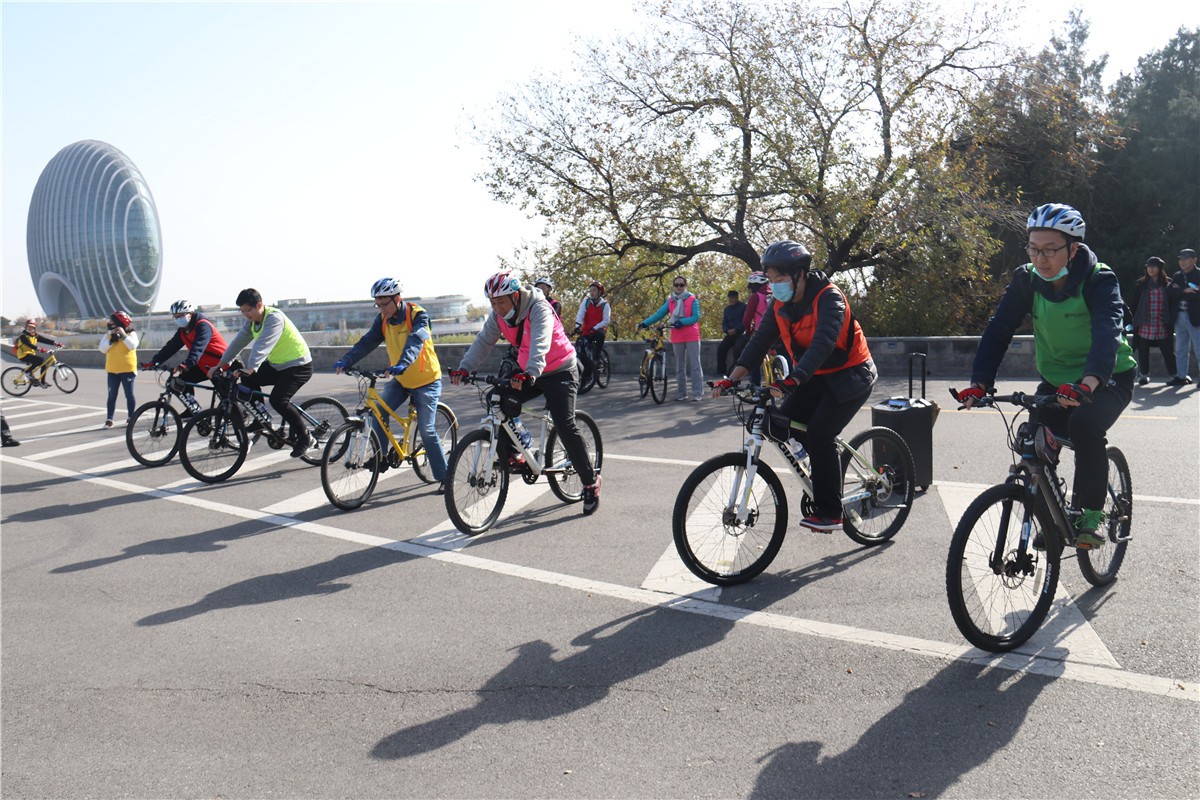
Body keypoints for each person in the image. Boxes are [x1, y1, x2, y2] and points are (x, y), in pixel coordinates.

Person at [959, 203, 1136, 549]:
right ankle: (1050, 518)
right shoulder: (1026, 280)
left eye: (1050, 250)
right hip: (1057, 381)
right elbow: (999, 330)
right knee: (1034, 440)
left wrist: (1089, 383)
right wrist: (980, 383)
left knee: (1084, 426)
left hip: (1108, 376)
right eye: (1033, 248)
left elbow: (1107, 333)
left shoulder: (1099, 279)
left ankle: (1089, 517)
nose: (1040, 258)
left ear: (1073, 249)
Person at [715, 241, 876, 532]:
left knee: (820, 433)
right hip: (813, 374)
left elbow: (823, 344)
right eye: (771, 278)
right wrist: (731, 378)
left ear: (800, 274)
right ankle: (822, 471)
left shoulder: (829, 298)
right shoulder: (779, 304)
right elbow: (758, 343)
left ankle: (831, 512)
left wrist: (793, 380)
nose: (774, 284)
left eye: (780, 277)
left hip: (850, 375)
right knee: (778, 424)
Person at [451, 270, 601, 515]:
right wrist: (465, 368)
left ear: (515, 296)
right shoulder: (498, 316)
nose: (497, 308)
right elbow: (484, 341)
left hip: (560, 369)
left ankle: (590, 482)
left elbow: (541, 341)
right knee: (496, 399)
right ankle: (516, 450)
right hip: (529, 370)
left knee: (564, 424)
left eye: (501, 302)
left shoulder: (539, 308)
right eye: (493, 303)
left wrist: (530, 371)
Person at [332, 278, 448, 487]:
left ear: (397, 298)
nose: (381, 309)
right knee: (378, 411)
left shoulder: (418, 315)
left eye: (384, 304)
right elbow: (367, 342)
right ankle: (382, 457)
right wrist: (346, 360)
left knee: (427, 431)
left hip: (426, 381)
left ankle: (444, 478)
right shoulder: (383, 320)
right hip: (402, 379)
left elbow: (415, 341)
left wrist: (403, 362)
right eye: (378, 304)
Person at [209, 288, 315, 457]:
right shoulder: (252, 322)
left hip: (298, 366)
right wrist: (220, 365)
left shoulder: (274, 318)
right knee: (248, 381)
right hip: (277, 365)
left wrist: (251, 367)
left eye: (248, 310)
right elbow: (237, 343)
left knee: (278, 400)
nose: (246, 315)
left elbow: (263, 345)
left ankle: (305, 437)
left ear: (259, 305)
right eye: (242, 311)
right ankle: (261, 418)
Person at [145, 300, 228, 411]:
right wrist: (154, 361)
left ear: (190, 314)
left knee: (228, 402)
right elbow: (171, 347)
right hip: (204, 366)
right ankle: (193, 411)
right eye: (175, 317)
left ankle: (238, 419)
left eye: (180, 316)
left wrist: (186, 364)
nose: (178, 319)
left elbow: (198, 347)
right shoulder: (183, 331)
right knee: (180, 382)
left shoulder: (203, 325)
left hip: (221, 365)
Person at [639, 275, 703, 401]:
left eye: (681, 285)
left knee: (695, 366)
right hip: (677, 336)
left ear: (685, 285)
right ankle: (682, 394)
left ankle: (697, 394)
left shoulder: (692, 299)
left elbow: (696, 317)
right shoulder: (671, 301)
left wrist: (682, 322)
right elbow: (659, 314)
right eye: (676, 285)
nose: (679, 287)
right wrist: (645, 323)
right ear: (674, 286)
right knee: (679, 367)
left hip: (691, 336)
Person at [1129, 257, 1177, 386]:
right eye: (1148, 266)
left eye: (1154, 266)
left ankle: (1174, 374)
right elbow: (1135, 304)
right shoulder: (1141, 284)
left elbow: (1173, 303)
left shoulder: (1167, 284)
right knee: (1143, 350)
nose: (1150, 269)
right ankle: (1144, 375)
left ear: (1160, 268)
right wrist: (1131, 321)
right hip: (1144, 323)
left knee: (1167, 350)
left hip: (1162, 323)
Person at [99, 311, 139, 428]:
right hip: (112, 370)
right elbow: (102, 349)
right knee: (112, 396)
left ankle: (131, 417)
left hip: (127, 370)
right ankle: (109, 419)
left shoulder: (131, 334)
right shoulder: (108, 335)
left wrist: (123, 335)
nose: (109, 323)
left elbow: (132, 345)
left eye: (112, 321)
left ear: (119, 322)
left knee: (129, 395)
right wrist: (111, 340)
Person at [1166, 247, 1200, 387]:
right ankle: (1181, 376)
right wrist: (1185, 290)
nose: (1182, 262)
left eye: (1186, 259)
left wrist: (1179, 291)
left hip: (1195, 316)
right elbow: (1169, 293)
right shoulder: (1177, 275)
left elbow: (1197, 295)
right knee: (1180, 348)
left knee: (1199, 348)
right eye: (1180, 259)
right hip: (1179, 316)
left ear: (1194, 260)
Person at [573, 280, 611, 388]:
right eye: (590, 290)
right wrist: (577, 326)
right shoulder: (586, 302)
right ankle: (586, 376)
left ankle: (597, 358)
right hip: (587, 330)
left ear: (599, 292)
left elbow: (606, 320)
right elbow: (580, 314)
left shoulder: (605, 305)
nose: (592, 292)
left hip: (598, 329)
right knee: (582, 349)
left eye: (594, 290)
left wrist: (595, 327)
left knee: (600, 336)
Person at [739, 272, 772, 385]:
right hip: (779, 332)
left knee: (754, 360)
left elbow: (746, 320)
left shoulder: (755, 297)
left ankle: (755, 386)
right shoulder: (775, 294)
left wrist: (748, 332)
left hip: (761, 332)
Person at [13, 319, 63, 387]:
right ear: (26, 327)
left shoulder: (35, 335)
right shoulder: (23, 336)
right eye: (28, 326)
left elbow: (45, 340)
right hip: (23, 355)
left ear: (34, 328)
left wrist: (56, 343)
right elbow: (29, 344)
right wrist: (39, 349)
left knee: (44, 365)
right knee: (40, 360)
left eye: (32, 327)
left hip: (30, 354)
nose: (30, 328)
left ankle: (42, 382)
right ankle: (27, 372)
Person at [715, 289, 747, 376]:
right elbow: (724, 322)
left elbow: (745, 321)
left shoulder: (743, 307)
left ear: (737, 298)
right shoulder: (727, 309)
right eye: (730, 298)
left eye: (734, 298)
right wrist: (727, 330)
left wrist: (736, 329)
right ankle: (721, 371)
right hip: (730, 333)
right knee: (721, 348)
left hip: (741, 333)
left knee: (737, 348)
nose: (732, 300)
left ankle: (735, 371)